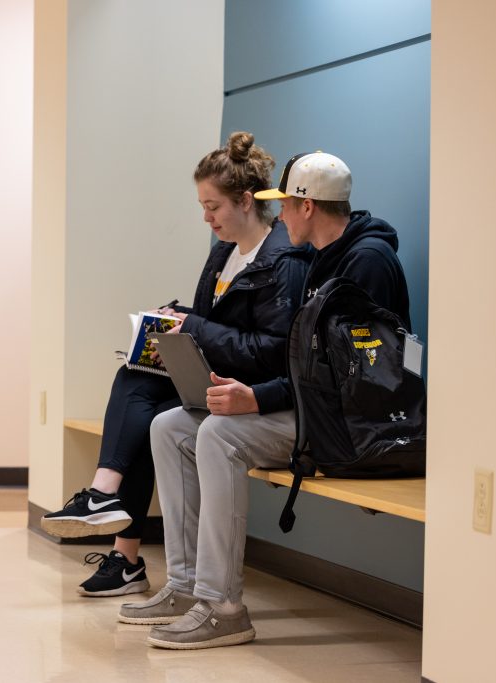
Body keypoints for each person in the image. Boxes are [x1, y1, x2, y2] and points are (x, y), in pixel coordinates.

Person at [134, 151, 412, 649]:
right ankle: (185, 585)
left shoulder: (365, 263)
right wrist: (253, 395)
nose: (278, 218)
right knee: (172, 426)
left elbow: (352, 381)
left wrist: (257, 399)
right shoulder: (324, 256)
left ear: (306, 207)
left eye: (283, 205)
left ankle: (223, 607)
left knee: (218, 435)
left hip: (356, 428)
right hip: (318, 413)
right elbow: (309, 366)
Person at [40, 132, 310, 598]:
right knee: (136, 380)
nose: (206, 217)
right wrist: (175, 321)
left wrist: (195, 328)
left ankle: (117, 530)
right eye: (202, 206)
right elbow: (214, 320)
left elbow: (270, 350)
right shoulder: (223, 254)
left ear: (246, 201)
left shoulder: (282, 260)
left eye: (214, 206)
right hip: (213, 371)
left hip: (248, 389)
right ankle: (115, 528)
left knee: (145, 405)